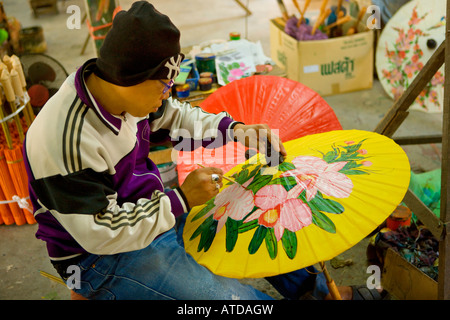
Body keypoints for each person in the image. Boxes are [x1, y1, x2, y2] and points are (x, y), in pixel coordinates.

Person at [23, 1, 378, 300]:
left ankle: (317, 292)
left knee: (254, 209)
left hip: (151, 211)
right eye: (164, 84)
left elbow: (175, 114)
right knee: (231, 301)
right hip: (98, 257)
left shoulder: (127, 93)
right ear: (131, 79)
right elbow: (100, 231)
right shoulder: (64, 140)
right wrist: (180, 200)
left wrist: (235, 130)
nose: (168, 92)